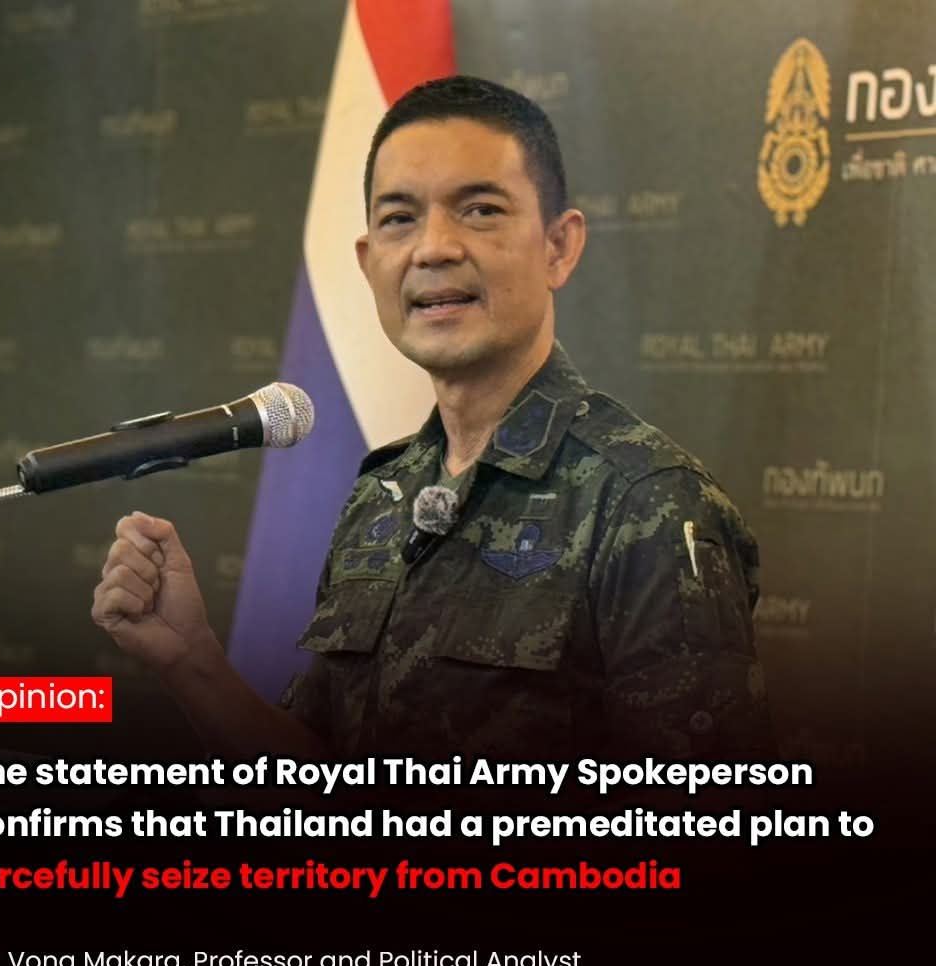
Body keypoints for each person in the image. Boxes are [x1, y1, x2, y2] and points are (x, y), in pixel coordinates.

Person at [92, 76, 772, 761]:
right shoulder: (382, 495)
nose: (434, 248)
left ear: (558, 247)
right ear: (368, 264)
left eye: (479, 210)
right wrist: (193, 660)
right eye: (399, 219)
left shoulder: (645, 501)